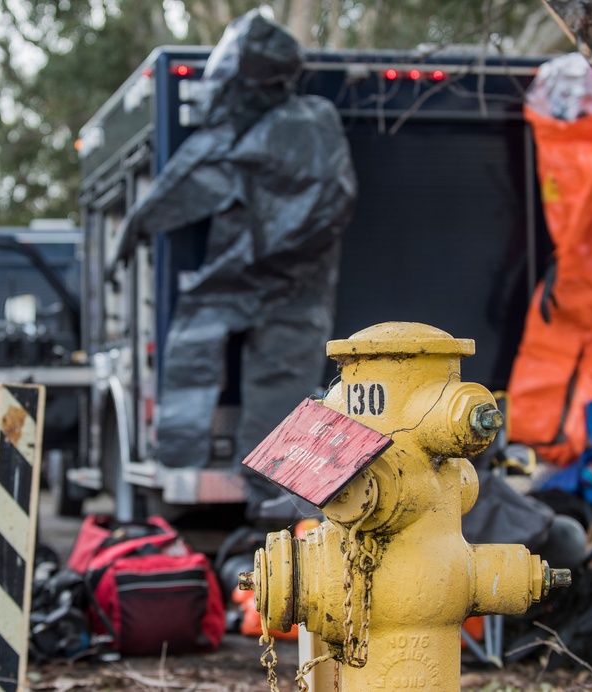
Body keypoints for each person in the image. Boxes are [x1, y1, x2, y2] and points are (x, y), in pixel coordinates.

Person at [114, 9, 358, 519]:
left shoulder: (258, 130)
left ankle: (234, 486)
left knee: (202, 344)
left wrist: (135, 227)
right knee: (275, 391)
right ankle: (270, 505)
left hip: (257, 280)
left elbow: (186, 183)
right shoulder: (305, 121)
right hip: (291, 288)